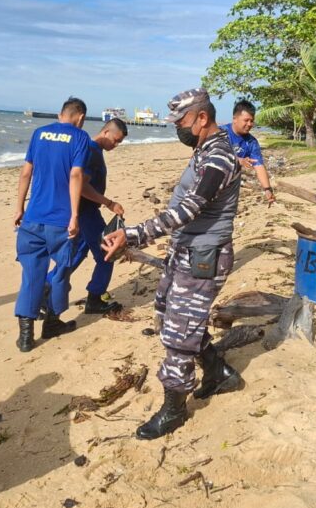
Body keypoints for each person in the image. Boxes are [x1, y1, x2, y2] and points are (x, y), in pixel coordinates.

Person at [103, 88, 244, 440]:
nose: (177, 128)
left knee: (179, 336)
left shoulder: (219, 159)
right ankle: (218, 373)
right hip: (186, 252)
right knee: (170, 316)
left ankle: (174, 409)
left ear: (201, 118)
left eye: (181, 121)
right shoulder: (204, 150)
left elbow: (186, 210)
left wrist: (133, 235)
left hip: (203, 258)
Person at [13, 97, 91, 352]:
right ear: (79, 117)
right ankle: (52, 323)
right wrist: (75, 216)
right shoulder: (80, 138)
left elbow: (26, 172)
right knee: (60, 272)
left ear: (60, 114)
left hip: (33, 218)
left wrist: (19, 207)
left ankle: (26, 336)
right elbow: (76, 175)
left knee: (31, 274)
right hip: (60, 220)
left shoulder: (39, 133)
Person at [70, 118, 128, 315]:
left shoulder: (94, 150)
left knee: (75, 255)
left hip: (83, 212)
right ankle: (95, 298)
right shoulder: (92, 151)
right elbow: (81, 186)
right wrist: (109, 203)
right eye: (115, 140)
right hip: (87, 213)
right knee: (107, 254)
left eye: (119, 142)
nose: (116, 145)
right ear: (105, 132)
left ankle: (47, 290)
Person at [221, 99, 275, 205]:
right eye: (246, 120)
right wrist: (237, 160)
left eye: (251, 121)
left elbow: (258, 165)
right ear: (235, 119)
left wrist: (267, 189)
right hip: (210, 181)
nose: (249, 124)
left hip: (231, 187)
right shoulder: (220, 133)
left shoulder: (251, 142)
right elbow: (208, 155)